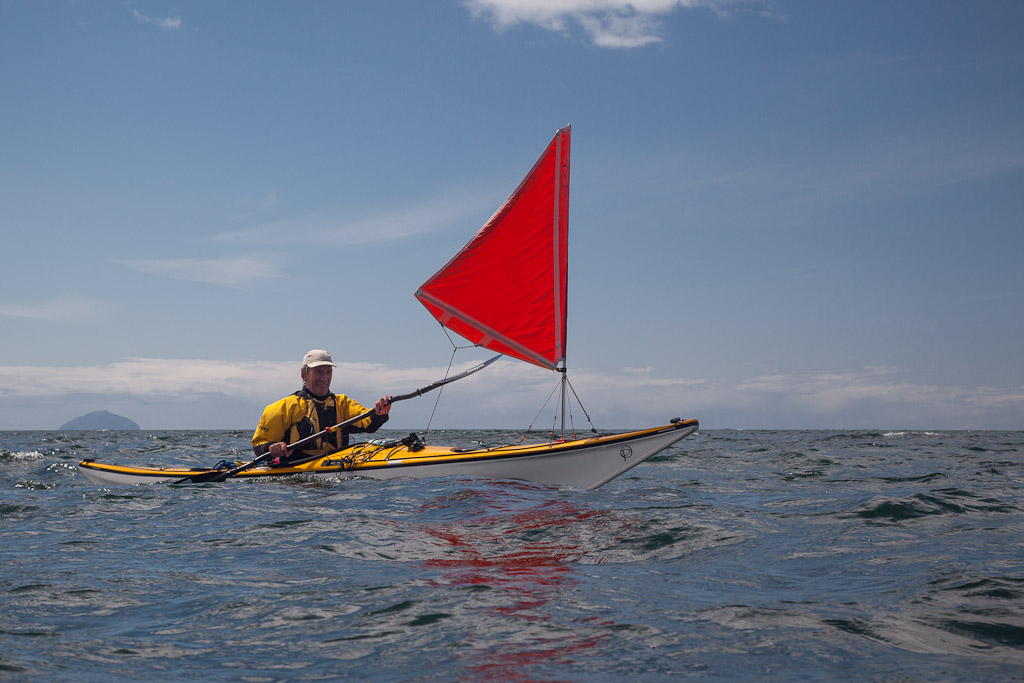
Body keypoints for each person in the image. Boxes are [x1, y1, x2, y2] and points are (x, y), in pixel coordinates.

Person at [252, 349, 392, 466]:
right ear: (304, 374)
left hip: (337, 470)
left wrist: (380, 414)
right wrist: (272, 447)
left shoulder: (343, 404)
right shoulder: (284, 407)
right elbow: (259, 445)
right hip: (297, 478)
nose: (324, 378)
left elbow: (368, 423)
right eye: (318, 372)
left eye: (328, 372)